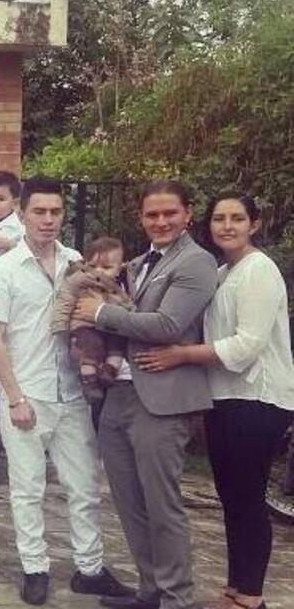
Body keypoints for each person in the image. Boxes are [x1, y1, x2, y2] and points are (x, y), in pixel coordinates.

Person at [134, 193, 294, 609]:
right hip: (224, 397)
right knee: (233, 497)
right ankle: (236, 589)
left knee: (248, 498)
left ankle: (251, 597)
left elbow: (247, 345)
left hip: (257, 398)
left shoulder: (259, 270)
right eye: (220, 219)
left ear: (254, 224)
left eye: (237, 218)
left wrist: (182, 355)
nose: (227, 226)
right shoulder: (222, 272)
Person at [0, 179, 134, 605]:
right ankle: (35, 568)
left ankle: (90, 568)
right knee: (28, 489)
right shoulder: (5, 269)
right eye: (39, 212)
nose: (48, 220)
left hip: (72, 392)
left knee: (84, 486)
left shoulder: (75, 262)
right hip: (27, 394)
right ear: (22, 213)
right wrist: (14, 397)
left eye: (55, 212)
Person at [74, 179, 217, 609]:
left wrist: (100, 312)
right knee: (129, 502)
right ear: (141, 217)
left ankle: (176, 598)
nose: (161, 221)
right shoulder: (136, 263)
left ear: (188, 213)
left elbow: (168, 325)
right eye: (152, 214)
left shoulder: (197, 262)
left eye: (170, 213)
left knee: (162, 505)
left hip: (162, 400)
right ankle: (150, 590)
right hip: (118, 395)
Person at [51, 237, 134, 403]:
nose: (98, 271)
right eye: (93, 266)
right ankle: (89, 382)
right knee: (91, 347)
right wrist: (60, 323)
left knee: (118, 343)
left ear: (119, 269)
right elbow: (65, 299)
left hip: (110, 327)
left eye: (106, 267)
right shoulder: (79, 280)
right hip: (85, 326)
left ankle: (110, 371)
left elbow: (127, 304)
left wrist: (131, 314)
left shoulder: (117, 287)